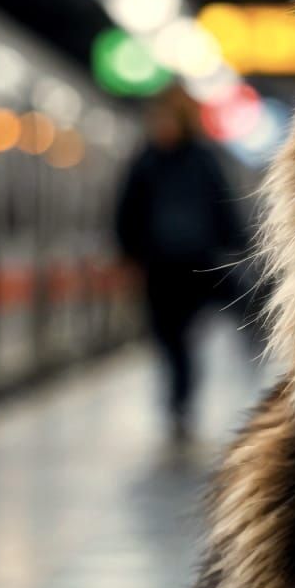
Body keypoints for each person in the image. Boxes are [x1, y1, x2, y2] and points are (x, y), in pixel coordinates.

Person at [116, 87, 246, 442]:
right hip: (159, 266)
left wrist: (236, 245)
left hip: (193, 264)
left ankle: (180, 401)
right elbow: (127, 211)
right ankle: (179, 399)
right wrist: (127, 253)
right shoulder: (151, 160)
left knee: (182, 337)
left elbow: (222, 206)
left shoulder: (179, 159)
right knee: (168, 337)